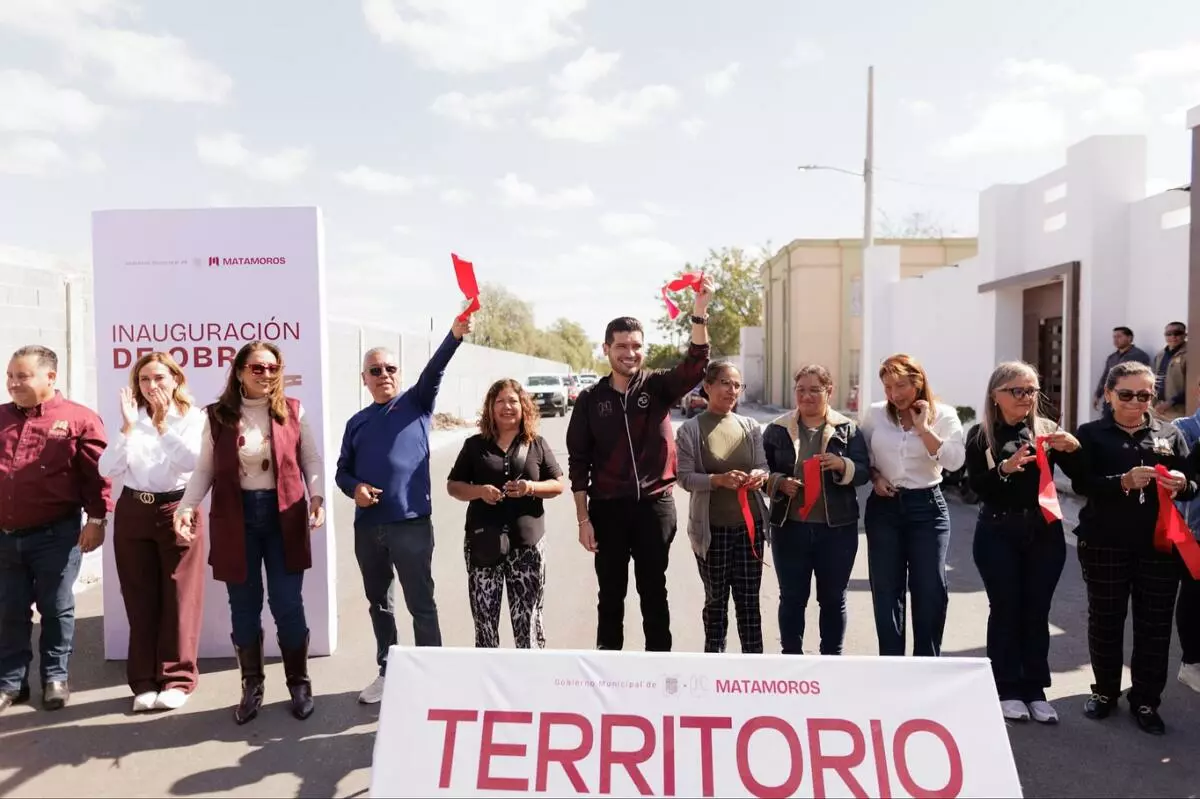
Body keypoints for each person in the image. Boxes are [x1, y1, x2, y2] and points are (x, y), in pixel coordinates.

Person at [175, 341, 326, 725]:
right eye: (257, 368)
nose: (266, 375)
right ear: (240, 371)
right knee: (243, 608)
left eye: (273, 368)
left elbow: (310, 457)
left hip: (283, 518)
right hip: (235, 519)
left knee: (287, 605)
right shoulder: (218, 416)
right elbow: (204, 470)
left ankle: (299, 682)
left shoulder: (292, 411)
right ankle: (252, 685)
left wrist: (317, 495)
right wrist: (187, 506)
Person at [567, 277, 714, 651]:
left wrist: (698, 312)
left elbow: (696, 366)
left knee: (654, 591)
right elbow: (579, 464)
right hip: (608, 509)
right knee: (611, 595)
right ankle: (609, 671)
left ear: (643, 349)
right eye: (621, 346)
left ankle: (658, 670)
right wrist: (584, 520)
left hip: (655, 508)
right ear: (606, 349)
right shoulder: (589, 400)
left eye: (635, 346)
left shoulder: (658, 386)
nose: (629, 353)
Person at [335, 315, 471, 705]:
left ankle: (432, 676)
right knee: (380, 604)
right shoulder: (356, 423)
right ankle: (387, 671)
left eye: (390, 369)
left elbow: (437, 366)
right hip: (369, 529)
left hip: (411, 525)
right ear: (364, 379)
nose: (383, 375)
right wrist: (354, 488)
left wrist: (455, 335)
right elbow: (342, 471)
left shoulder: (417, 403)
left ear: (399, 373)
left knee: (420, 603)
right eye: (374, 371)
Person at [1072, 361, 1194, 734]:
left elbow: (1193, 483)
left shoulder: (1169, 433)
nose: (1136, 402)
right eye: (1126, 394)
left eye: (1145, 395)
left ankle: (1145, 700)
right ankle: (1106, 692)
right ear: (1108, 394)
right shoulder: (1091, 433)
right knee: (1106, 621)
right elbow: (1082, 483)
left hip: (1158, 547)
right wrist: (1121, 482)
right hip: (1104, 543)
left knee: (1154, 627)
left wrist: (1182, 484)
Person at [964, 362, 1080, 724]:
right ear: (995, 396)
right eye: (1017, 390)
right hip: (998, 532)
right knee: (1006, 610)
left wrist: (1075, 449)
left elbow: (1081, 479)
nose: (1025, 398)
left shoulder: (1047, 430)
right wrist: (1004, 469)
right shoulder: (982, 434)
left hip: (1044, 533)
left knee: (1036, 612)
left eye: (1031, 390)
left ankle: (1035, 689)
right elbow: (975, 487)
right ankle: (1006, 687)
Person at [0, 345, 111, 713]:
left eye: (22, 376)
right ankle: (12, 684)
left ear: (50, 377)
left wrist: (96, 520)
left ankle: (54, 677)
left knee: (55, 606)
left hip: (55, 535)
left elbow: (97, 477)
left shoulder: (79, 419)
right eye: (10, 376)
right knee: (9, 610)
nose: (13, 383)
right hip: (5, 537)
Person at [97, 352, 206, 713]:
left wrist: (163, 425)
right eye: (144, 379)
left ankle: (177, 679)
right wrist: (129, 428)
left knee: (179, 596)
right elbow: (107, 468)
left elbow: (191, 463)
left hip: (177, 508)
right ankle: (143, 681)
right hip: (133, 510)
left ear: (176, 379)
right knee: (140, 597)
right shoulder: (133, 420)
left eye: (159, 378)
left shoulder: (194, 418)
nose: (152, 386)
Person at [860, 353, 965, 657]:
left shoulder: (943, 415)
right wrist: (875, 476)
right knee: (886, 591)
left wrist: (923, 427)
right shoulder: (876, 414)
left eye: (901, 385)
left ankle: (926, 665)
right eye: (888, 387)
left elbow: (955, 461)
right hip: (884, 508)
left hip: (927, 508)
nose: (895, 394)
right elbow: (862, 456)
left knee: (930, 589)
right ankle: (892, 666)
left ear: (918, 382)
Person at [447, 379, 565, 648]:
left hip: (527, 545)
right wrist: (479, 492)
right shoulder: (474, 445)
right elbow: (453, 486)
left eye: (513, 401)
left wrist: (530, 487)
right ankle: (489, 682)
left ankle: (529, 681)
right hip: (483, 544)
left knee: (529, 621)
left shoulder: (536, 444)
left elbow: (558, 484)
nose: (506, 407)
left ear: (523, 407)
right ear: (490, 408)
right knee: (484, 620)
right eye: (499, 401)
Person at [762, 364, 870, 655]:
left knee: (833, 599)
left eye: (814, 390)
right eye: (801, 390)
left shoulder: (848, 429)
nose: (806, 396)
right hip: (789, 528)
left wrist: (842, 465)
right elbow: (760, 473)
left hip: (837, 531)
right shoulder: (777, 429)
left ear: (829, 391)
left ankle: (832, 660)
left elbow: (863, 473)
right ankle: (791, 658)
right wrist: (778, 482)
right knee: (792, 598)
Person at [675, 361, 770, 654]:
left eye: (737, 385)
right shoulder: (690, 429)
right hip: (712, 531)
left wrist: (759, 476)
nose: (732, 390)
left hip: (749, 529)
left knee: (749, 602)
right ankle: (714, 671)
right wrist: (718, 479)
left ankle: (754, 670)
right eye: (725, 383)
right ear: (707, 386)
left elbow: (763, 467)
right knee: (716, 602)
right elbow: (685, 478)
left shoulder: (750, 426)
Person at [1170, 376, 1200, 694]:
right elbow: (1179, 478)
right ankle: (1191, 663)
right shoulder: (1184, 428)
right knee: (1194, 594)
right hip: (1194, 528)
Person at [1092, 326, 1150, 413]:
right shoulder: (1112, 358)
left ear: (1129, 338)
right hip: (1111, 401)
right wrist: (1097, 395)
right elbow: (1105, 377)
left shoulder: (1139, 356)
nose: (1115, 340)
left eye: (1119, 337)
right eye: (1114, 337)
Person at [1152, 322, 1188, 420]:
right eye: (1169, 334)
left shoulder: (1190, 354)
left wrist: (1171, 402)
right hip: (1158, 409)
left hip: (1179, 411)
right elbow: (1154, 381)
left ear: (1185, 335)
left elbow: (1193, 385)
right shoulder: (1160, 355)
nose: (1173, 336)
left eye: (1177, 333)